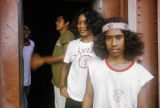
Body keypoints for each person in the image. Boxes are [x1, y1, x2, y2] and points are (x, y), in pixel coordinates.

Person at [82, 17, 154, 108]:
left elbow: (142, 106)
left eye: (118, 38)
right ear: (103, 41)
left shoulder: (140, 73)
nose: (114, 43)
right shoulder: (94, 66)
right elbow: (88, 97)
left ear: (127, 40)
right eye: (109, 38)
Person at [60, 8, 103, 108]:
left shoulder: (100, 45)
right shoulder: (72, 45)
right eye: (79, 23)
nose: (81, 26)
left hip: (93, 97)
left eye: (85, 22)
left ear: (92, 24)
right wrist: (62, 85)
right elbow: (65, 66)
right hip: (72, 96)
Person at [31, 14, 75, 108]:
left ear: (67, 23)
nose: (56, 22)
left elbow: (66, 56)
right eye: (56, 20)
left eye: (59, 20)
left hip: (63, 81)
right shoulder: (62, 36)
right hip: (58, 80)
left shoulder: (67, 34)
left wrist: (43, 60)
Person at [23, 25, 35, 108]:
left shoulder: (32, 44)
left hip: (28, 81)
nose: (27, 32)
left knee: (25, 101)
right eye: (24, 29)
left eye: (28, 29)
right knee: (24, 105)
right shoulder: (16, 44)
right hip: (18, 82)